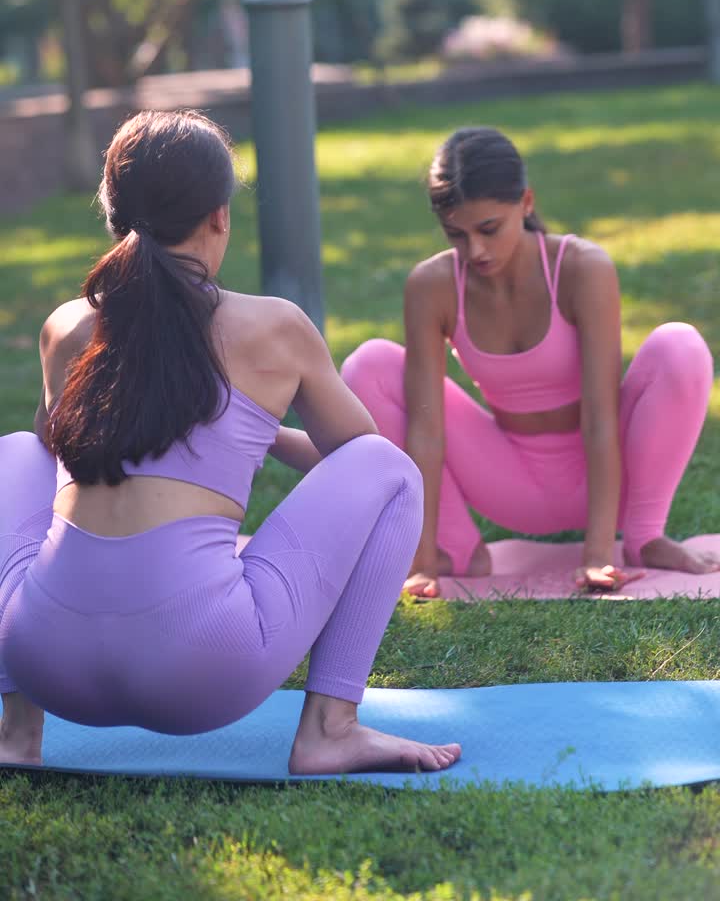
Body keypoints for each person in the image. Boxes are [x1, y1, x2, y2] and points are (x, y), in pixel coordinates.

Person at [0, 109, 460, 773]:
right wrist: (265, 433)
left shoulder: (68, 328)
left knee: (14, 450)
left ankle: (17, 734)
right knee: (391, 471)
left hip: (48, 659)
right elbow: (358, 458)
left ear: (114, 216)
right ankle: (330, 728)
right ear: (220, 216)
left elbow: (52, 452)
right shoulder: (273, 328)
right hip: (199, 672)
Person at [341, 126, 716, 599]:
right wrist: (421, 560)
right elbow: (426, 429)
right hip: (510, 480)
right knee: (367, 365)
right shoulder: (431, 285)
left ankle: (643, 538)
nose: (474, 250)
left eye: (489, 229)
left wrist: (599, 552)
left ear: (527, 203)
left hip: (607, 471)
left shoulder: (582, 267)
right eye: (456, 234)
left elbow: (601, 416)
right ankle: (453, 551)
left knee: (679, 346)